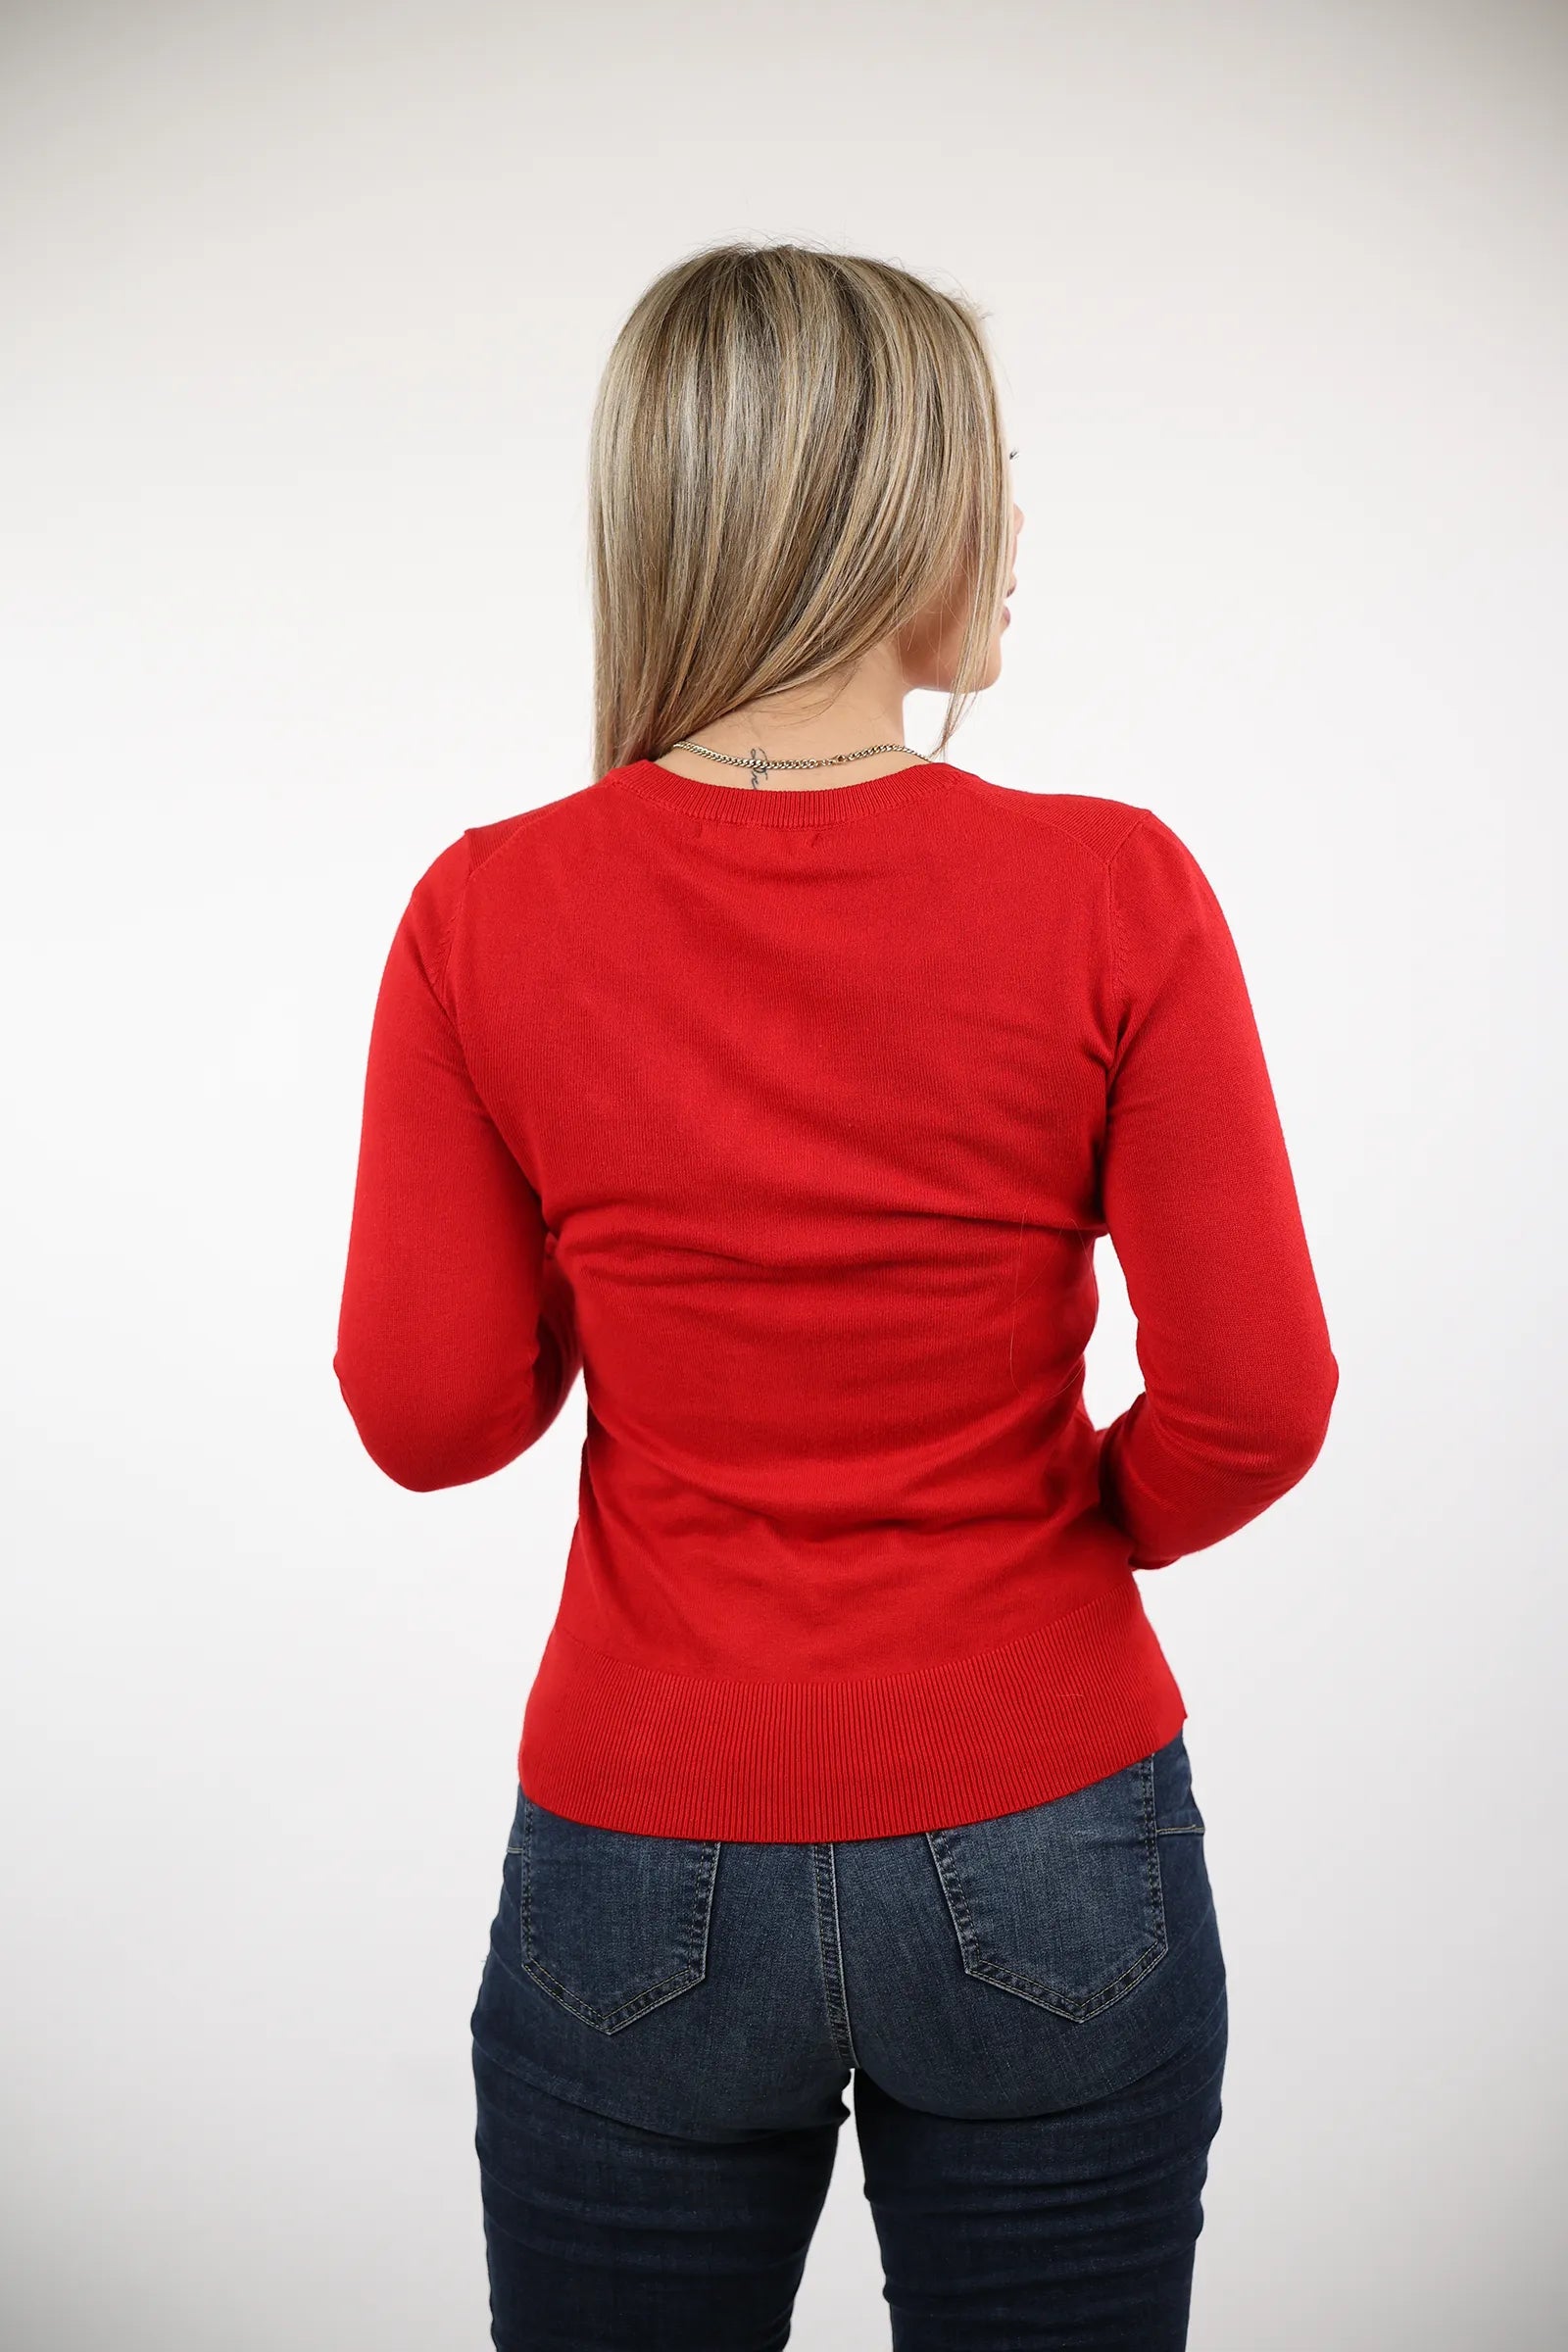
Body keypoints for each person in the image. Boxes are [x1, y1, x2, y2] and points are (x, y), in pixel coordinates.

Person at [333, 240, 1339, 2351]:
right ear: (895, 517)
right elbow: (1256, 1400)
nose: (1018, 528)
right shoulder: (1114, 889)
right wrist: (1071, 1532)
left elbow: (430, 1417)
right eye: (993, 476)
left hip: (642, 1838)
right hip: (1050, 1821)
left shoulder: (484, 912)